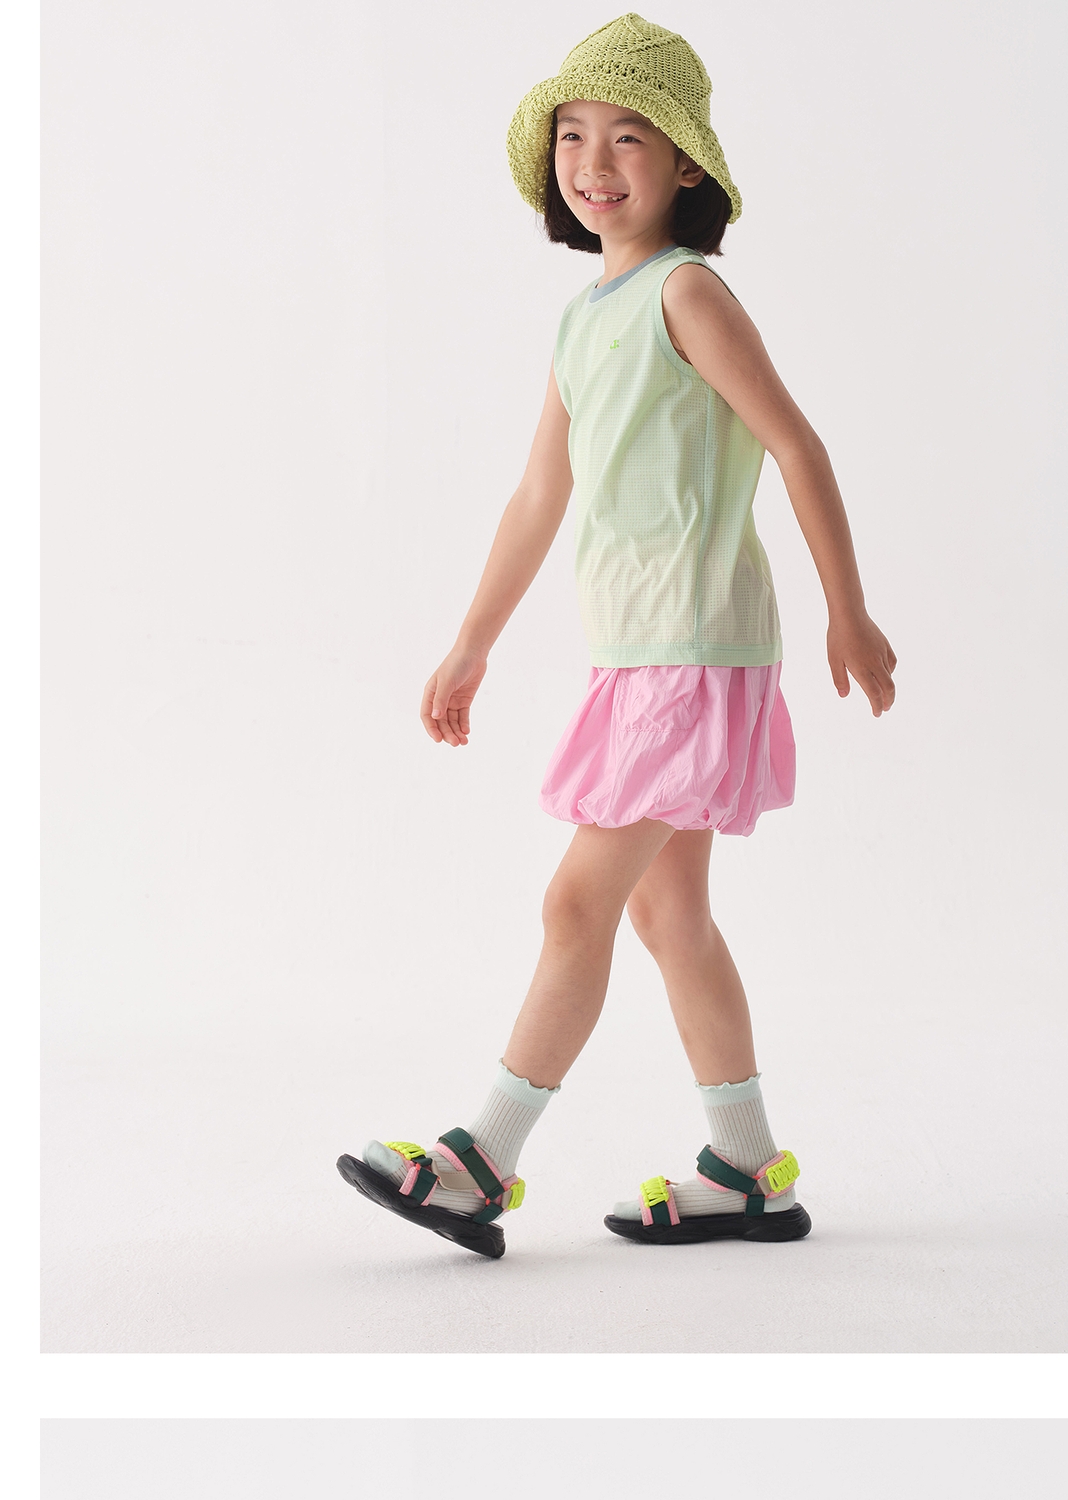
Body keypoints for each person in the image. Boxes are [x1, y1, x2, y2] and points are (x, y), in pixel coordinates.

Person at [337, 12, 896, 1258]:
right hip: (639, 653)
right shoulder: (584, 315)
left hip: (689, 652)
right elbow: (541, 492)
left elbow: (797, 444)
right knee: (666, 917)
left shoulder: (686, 293)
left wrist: (847, 609)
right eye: (573, 137)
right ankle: (747, 1170)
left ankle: (479, 1162)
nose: (594, 163)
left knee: (575, 903)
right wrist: (472, 641)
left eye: (629, 138)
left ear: (685, 162)